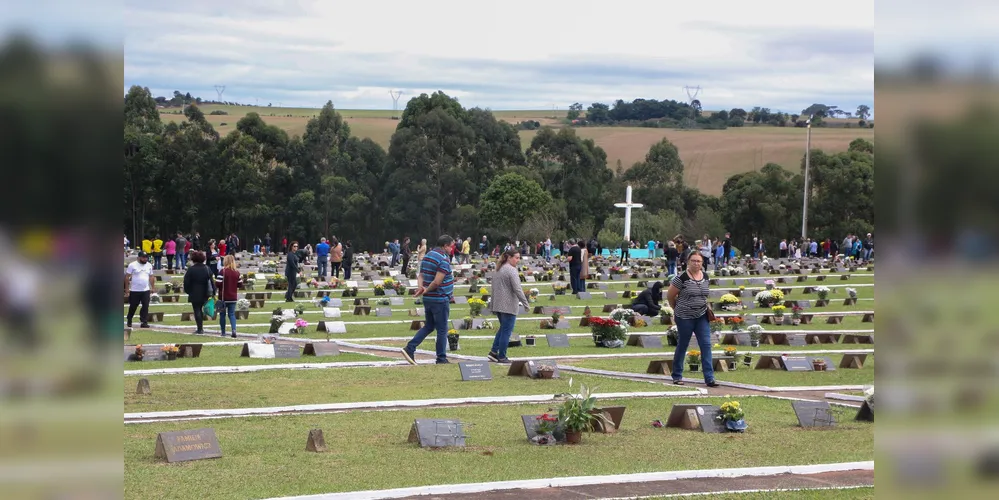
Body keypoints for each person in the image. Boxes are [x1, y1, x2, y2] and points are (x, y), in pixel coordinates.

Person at [401, 235, 456, 365]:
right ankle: (441, 358)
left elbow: (421, 275)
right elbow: (437, 282)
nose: (452, 249)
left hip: (429, 299)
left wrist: (421, 287)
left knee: (430, 326)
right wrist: (426, 289)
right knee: (442, 329)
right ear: (445, 246)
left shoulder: (428, 255)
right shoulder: (443, 259)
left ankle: (410, 348)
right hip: (439, 298)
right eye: (451, 246)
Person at [665, 253, 717, 387]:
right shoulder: (681, 278)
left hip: (701, 315)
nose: (696, 263)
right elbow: (670, 296)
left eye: (699, 261)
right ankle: (677, 375)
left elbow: (705, 295)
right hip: (684, 317)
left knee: (706, 345)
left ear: (702, 263)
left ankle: (709, 378)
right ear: (688, 262)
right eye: (693, 261)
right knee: (683, 344)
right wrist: (676, 309)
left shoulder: (705, 277)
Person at [487, 249, 530, 363]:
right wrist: (525, 303)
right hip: (508, 305)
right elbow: (517, 288)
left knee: (502, 330)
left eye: (519, 257)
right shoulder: (511, 270)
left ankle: (493, 352)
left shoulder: (498, 269)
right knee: (506, 332)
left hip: (498, 304)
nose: (518, 260)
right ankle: (502, 356)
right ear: (509, 257)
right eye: (516, 257)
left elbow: (493, 288)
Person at [183, 251, 215, 334]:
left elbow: (186, 282)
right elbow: (211, 281)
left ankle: (200, 328)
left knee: (197, 310)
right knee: (204, 308)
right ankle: (201, 327)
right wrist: (214, 291)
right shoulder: (207, 268)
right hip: (206, 292)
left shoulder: (191, 269)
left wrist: (188, 291)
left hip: (194, 292)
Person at [124, 251, 155, 328]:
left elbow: (151, 277)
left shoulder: (149, 265)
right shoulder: (132, 265)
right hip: (135, 290)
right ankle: (129, 318)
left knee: (145, 306)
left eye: (146, 258)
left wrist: (153, 287)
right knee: (133, 306)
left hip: (145, 290)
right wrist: (127, 288)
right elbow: (127, 277)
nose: (145, 259)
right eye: (143, 257)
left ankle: (144, 321)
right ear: (139, 257)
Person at [216, 255, 240, 338]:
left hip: (223, 297)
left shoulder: (223, 271)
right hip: (233, 297)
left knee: (222, 315)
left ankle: (223, 332)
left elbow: (218, 283)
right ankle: (234, 330)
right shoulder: (237, 272)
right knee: (232, 314)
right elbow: (240, 284)